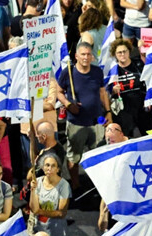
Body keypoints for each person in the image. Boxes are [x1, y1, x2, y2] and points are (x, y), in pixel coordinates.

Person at [58, 42, 111, 188]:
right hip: (76, 123)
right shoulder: (67, 72)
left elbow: (102, 92)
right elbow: (59, 92)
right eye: (83, 54)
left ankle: (99, 185)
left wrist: (108, 112)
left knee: (99, 155)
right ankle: (76, 186)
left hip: (97, 122)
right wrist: (68, 104)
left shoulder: (97, 72)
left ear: (92, 56)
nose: (86, 57)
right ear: (76, 56)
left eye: (88, 54)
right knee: (74, 157)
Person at [107, 39, 152, 136]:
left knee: (147, 135)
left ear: (129, 52)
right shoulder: (113, 70)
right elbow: (106, 91)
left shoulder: (138, 64)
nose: (122, 54)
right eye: (119, 52)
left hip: (141, 107)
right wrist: (113, 90)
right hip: (124, 110)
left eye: (125, 51)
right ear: (115, 54)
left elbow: (149, 80)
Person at [30, 153, 71, 236]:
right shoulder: (37, 182)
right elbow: (33, 207)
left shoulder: (64, 185)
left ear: (58, 169)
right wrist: (33, 190)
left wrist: (39, 211)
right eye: (47, 165)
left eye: (53, 166)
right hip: (41, 232)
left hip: (58, 234)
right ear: (43, 167)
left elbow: (61, 213)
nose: (49, 168)